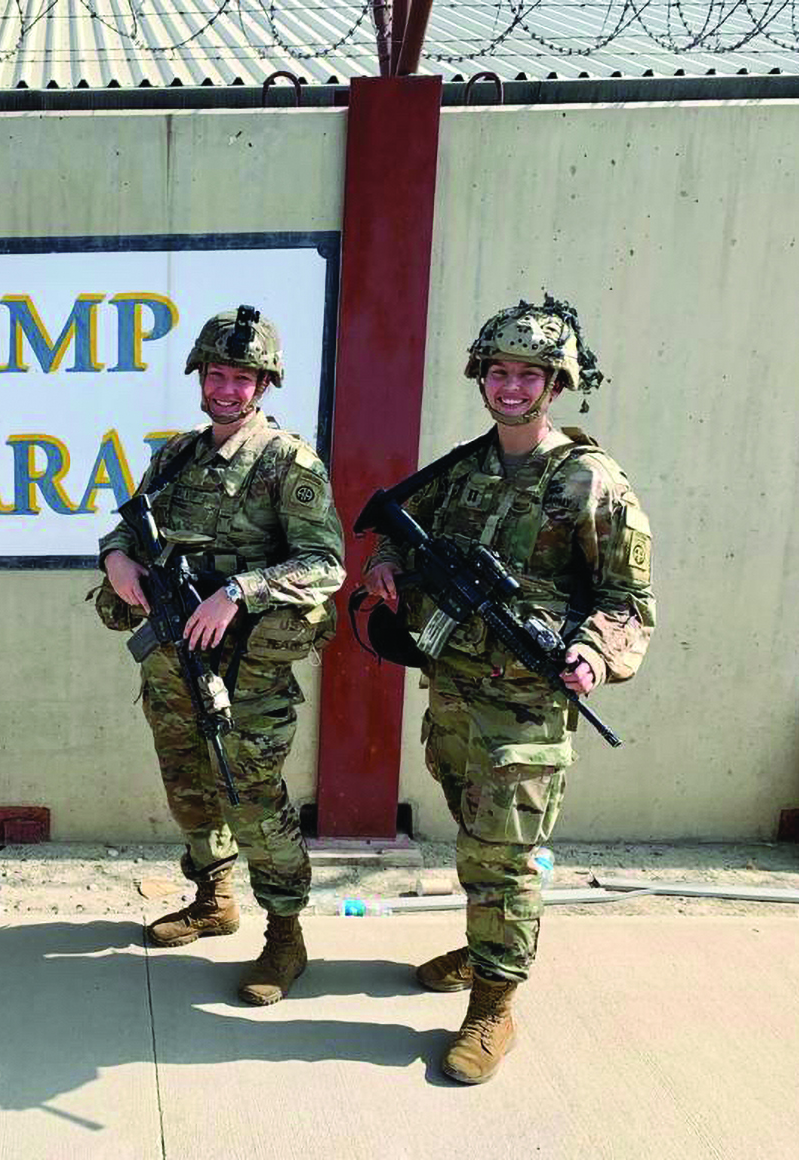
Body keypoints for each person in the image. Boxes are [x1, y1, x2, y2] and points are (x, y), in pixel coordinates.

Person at [362, 296, 654, 1083]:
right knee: (472, 833)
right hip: (455, 693)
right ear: (481, 378)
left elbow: (629, 599)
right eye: (500, 372)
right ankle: (482, 940)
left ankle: (494, 1006)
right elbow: (394, 525)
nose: (512, 387)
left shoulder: (591, 480)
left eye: (530, 374)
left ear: (555, 384)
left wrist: (594, 653)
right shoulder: (462, 469)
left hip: (526, 706)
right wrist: (387, 564)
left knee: (508, 854)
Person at [97, 306, 344, 1005]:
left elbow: (327, 562)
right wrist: (117, 559)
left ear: (263, 385)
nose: (228, 389)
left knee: (253, 800)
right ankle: (214, 898)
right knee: (188, 786)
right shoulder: (179, 454)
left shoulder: (286, 461)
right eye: (218, 374)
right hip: (172, 663)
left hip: (248, 674)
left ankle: (286, 936)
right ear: (200, 376)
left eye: (243, 378)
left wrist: (240, 589)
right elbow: (128, 526)